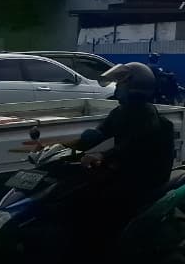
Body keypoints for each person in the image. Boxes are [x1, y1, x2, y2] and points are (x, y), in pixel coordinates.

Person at [72, 63, 174, 231]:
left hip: (145, 176)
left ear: (136, 87)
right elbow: (101, 132)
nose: (117, 87)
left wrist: (103, 156)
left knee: (102, 200)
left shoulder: (147, 115)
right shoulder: (120, 111)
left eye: (121, 83)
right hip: (124, 168)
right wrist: (67, 143)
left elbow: (133, 145)